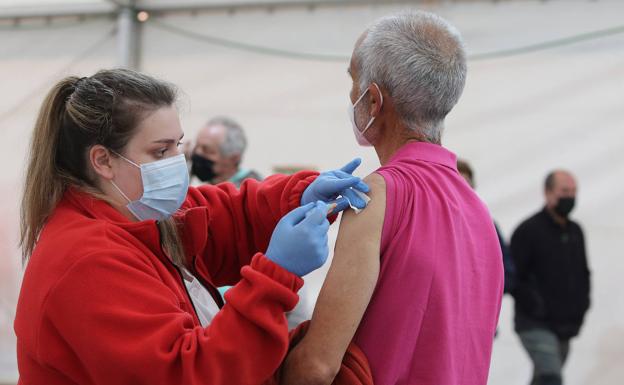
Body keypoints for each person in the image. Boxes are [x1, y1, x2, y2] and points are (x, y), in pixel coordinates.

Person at [13, 69, 370, 385]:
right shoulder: (86, 262)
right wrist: (276, 275)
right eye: (160, 151)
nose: (177, 163)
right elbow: (189, 372)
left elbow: (229, 216)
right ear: (103, 160)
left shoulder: (140, 216)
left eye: (178, 146)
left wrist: (297, 196)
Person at [281, 11, 504, 385]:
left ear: (372, 101)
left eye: (353, 81)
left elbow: (317, 367)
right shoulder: (478, 211)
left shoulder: (376, 197)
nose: (350, 94)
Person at [511, 170, 591, 385]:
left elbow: (583, 273)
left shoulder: (576, 232)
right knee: (551, 377)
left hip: (565, 326)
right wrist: (535, 306)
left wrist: (581, 309)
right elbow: (513, 277)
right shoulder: (528, 231)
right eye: (564, 191)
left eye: (574, 192)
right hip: (535, 323)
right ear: (547, 193)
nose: (570, 197)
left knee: (542, 379)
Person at [457, 158, 516, 294]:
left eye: (468, 186)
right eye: (458, 185)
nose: (463, 192)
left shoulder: (488, 225)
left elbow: (507, 274)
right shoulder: (435, 224)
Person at [190, 116, 262, 186]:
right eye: (196, 146)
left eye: (207, 150)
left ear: (234, 158)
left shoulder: (251, 192)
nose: (197, 153)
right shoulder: (211, 188)